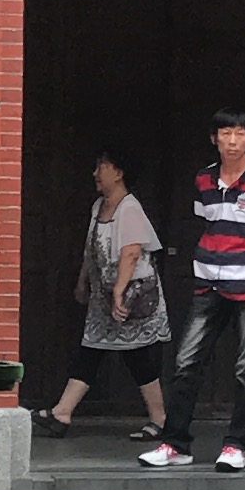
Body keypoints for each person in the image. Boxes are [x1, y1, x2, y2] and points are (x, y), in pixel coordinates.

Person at [140, 110, 245, 473]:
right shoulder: (203, 178)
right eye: (226, 133)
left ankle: (236, 445)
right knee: (186, 363)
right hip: (208, 281)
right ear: (214, 138)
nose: (233, 141)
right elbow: (205, 222)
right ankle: (175, 444)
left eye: (240, 134)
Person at [44, 151, 170, 434]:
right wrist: (83, 281)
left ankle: (160, 418)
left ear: (119, 172)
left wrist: (119, 292)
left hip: (132, 297)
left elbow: (131, 253)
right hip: (105, 295)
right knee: (92, 349)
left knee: (136, 354)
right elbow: (92, 249)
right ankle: (62, 413)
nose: (96, 173)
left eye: (102, 167)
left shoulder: (129, 208)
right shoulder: (99, 206)